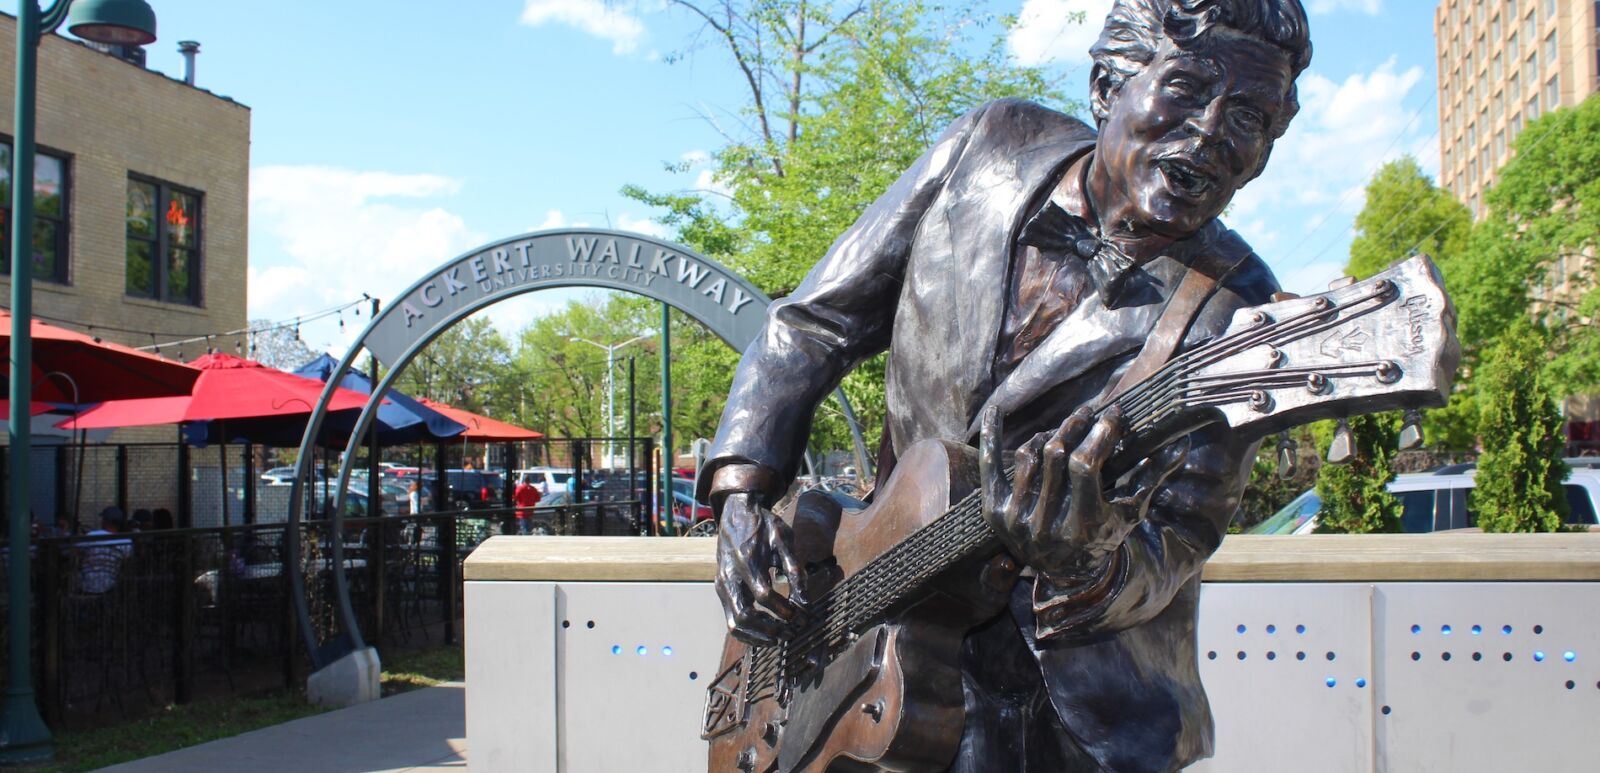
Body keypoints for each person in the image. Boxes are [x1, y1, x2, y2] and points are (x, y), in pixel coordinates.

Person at [700, 1, 1311, 770]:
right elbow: (812, 326)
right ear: (1106, 87)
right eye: (1187, 89)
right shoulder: (988, 148)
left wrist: (1090, 560)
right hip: (867, 658)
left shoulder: (1240, 313)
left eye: (1250, 117)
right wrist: (741, 497)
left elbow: (1180, 536)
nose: (1213, 132)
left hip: (1069, 722)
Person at [80, 506, 133, 594]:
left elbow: (74, 553)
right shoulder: (126, 541)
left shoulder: (91, 535)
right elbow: (128, 565)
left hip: (86, 584)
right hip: (110, 586)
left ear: (104, 521)